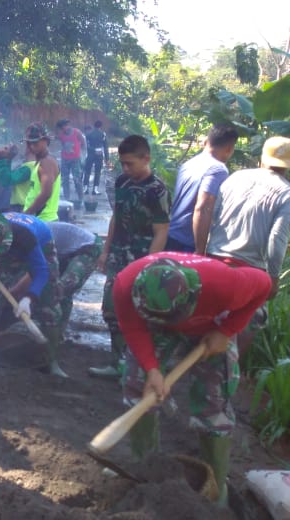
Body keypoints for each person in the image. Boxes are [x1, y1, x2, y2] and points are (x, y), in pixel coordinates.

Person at [113, 254, 270, 506]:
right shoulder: (125, 284)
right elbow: (133, 328)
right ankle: (145, 468)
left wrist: (226, 331)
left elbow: (264, 284)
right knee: (137, 386)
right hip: (154, 326)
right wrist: (153, 370)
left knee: (213, 401)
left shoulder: (225, 285)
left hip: (211, 324)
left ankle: (216, 487)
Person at [90, 135, 171, 378]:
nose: (126, 168)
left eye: (130, 163)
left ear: (146, 158)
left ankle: (137, 369)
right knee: (111, 309)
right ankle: (117, 364)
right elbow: (117, 217)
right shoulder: (122, 182)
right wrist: (106, 251)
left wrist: (148, 265)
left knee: (139, 314)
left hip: (142, 258)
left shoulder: (157, 190)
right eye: (123, 163)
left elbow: (161, 231)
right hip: (118, 255)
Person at [205, 136, 290, 351]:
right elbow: (277, 238)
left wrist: (205, 253)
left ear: (261, 159)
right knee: (246, 322)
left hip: (214, 262)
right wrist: (272, 277)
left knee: (205, 322)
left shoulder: (235, 178)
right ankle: (233, 373)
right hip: (249, 272)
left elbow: (213, 218)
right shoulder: (286, 193)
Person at [0, 212, 67, 377]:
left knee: (49, 302)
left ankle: (51, 361)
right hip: (4, 243)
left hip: (41, 246)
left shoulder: (25, 237)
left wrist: (28, 299)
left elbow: (41, 272)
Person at [165, 125, 238, 253]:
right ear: (229, 148)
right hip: (188, 243)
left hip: (171, 236)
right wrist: (200, 250)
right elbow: (203, 207)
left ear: (206, 142)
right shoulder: (217, 169)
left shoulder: (189, 164)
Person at [22, 122, 62, 221]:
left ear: (46, 141)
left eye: (35, 143)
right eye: (29, 143)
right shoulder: (40, 162)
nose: (32, 146)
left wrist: (27, 214)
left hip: (43, 221)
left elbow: (46, 194)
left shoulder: (46, 163)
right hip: (38, 219)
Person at [56, 119, 86, 200]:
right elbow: (62, 143)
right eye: (61, 128)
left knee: (77, 180)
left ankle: (81, 199)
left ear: (67, 125)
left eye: (64, 127)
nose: (63, 129)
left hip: (75, 159)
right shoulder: (61, 134)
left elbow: (83, 143)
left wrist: (83, 157)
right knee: (65, 180)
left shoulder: (77, 132)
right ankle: (67, 199)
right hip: (65, 160)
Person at [82, 120, 109, 195]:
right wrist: (107, 159)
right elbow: (106, 147)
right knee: (97, 172)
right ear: (101, 126)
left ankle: (85, 188)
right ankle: (95, 189)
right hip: (99, 155)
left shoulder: (89, 134)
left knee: (87, 171)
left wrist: (92, 150)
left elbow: (86, 145)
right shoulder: (103, 134)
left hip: (90, 154)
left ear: (94, 126)